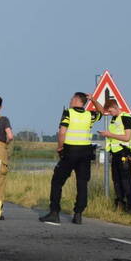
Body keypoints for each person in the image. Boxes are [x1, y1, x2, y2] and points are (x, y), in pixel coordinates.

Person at [40, 92, 101, 225]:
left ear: (77, 100)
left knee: (57, 181)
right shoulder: (89, 115)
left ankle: (54, 212)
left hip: (70, 152)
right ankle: (78, 214)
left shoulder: (68, 113)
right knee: (82, 184)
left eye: (72, 98)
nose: (70, 100)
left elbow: (62, 132)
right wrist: (94, 100)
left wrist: (60, 147)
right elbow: (101, 111)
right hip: (85, 153)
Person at [99, 98, 131, 212]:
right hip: (115, 153)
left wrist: (109, 134)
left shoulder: (126, 117)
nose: (109, 114)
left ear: (116, 107)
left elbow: (127, 137)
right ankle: (121, 205)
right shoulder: (114, 119)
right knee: (116, 181)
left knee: (126, 181)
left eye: (110, 111)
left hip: (124, 152)